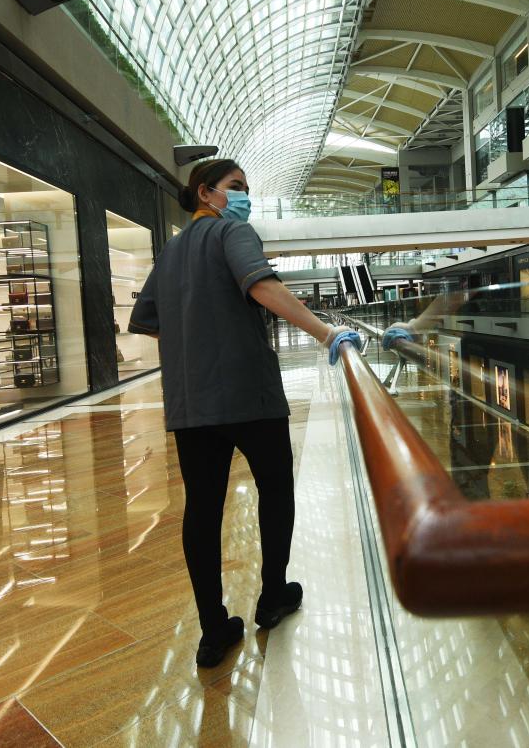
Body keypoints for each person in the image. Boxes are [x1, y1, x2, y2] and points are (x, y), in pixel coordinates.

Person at [130, 158, 359, 667]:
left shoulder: (169, 252)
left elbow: (145, 319)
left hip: (192, 404)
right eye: (236, 187)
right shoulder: (233, 230)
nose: (244, 197)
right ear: (205, 192)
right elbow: (263, 287)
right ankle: (272, 594)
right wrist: (326, 332)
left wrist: (193, 348)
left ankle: (214, 629)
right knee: (275, 489)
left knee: (203, 509)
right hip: (250, 394)